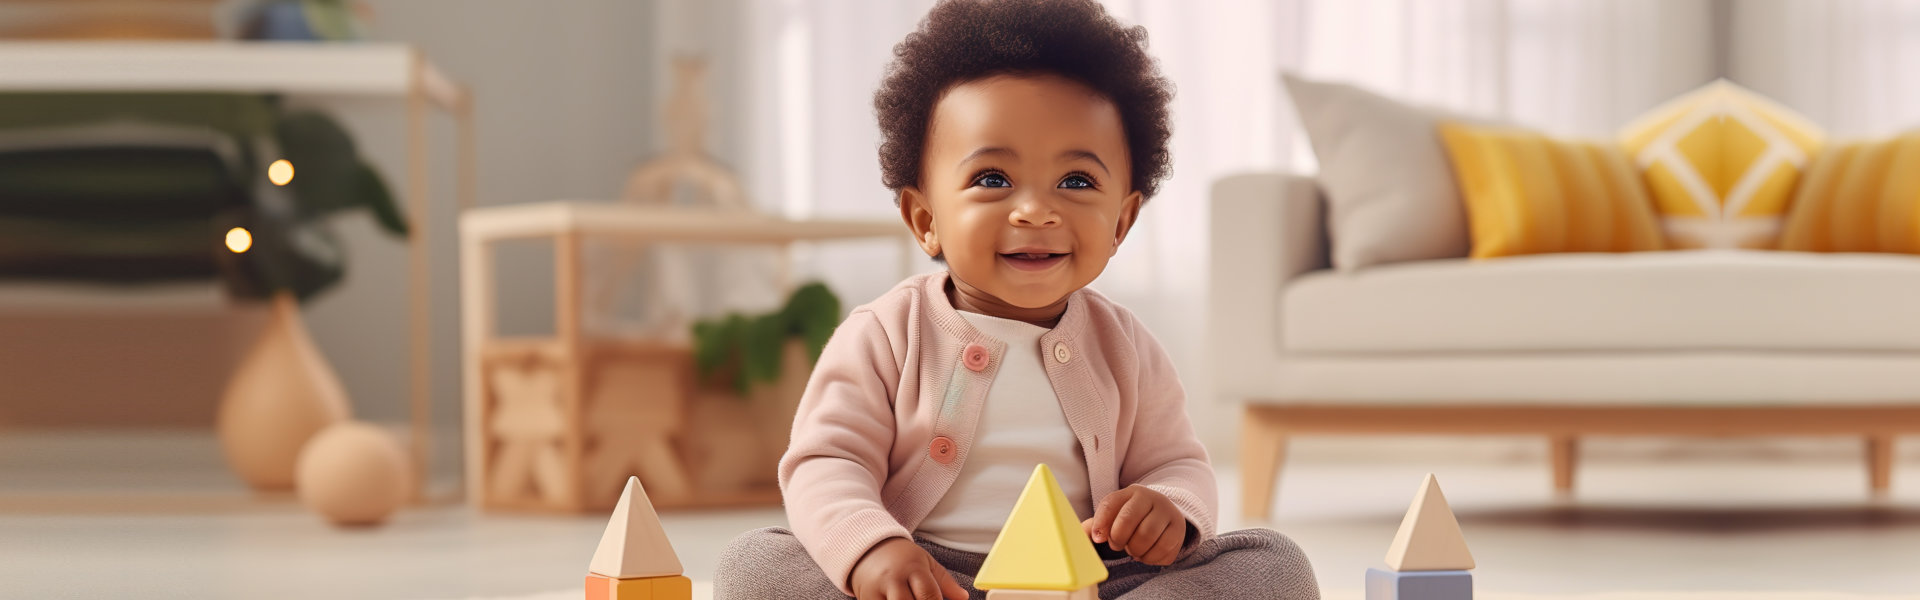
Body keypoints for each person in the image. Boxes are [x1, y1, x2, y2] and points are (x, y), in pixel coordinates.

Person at [717, 1, 1318, 598]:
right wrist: (875, 551)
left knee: (1270, 563)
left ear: (1122, 221)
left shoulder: (1126, 345)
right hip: (929, 576)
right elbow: (826, 462)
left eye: (1077, 182)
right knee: (754, 563)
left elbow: (1176, 462)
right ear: (925, 219)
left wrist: (1168, 508)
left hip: (1088, 578)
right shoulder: (884, 333)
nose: (1035, 210)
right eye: (992, 180)